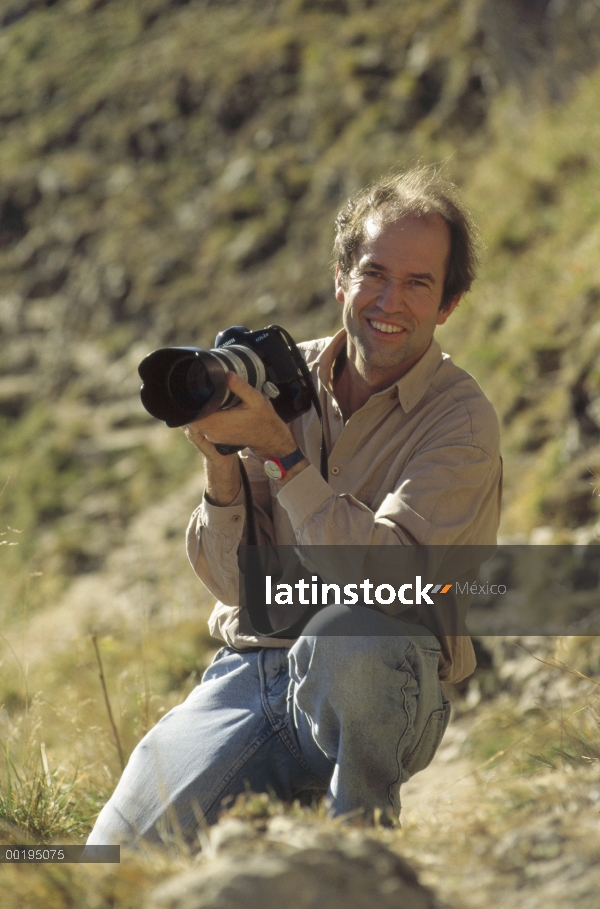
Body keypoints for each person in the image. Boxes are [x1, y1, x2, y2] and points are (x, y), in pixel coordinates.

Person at [87, 168, 502, 846]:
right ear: (341, 278)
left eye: (418, 282)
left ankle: (359, 849)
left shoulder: (460, 420)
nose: (389, 299)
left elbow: (390, 581)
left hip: (382, 681)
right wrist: (222, 460)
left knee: (352, 629)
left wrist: (283, 455)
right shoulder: (276, 381)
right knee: (110, 856)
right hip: (253, 672)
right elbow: (232, 584)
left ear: (448, 304)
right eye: (374, 273)